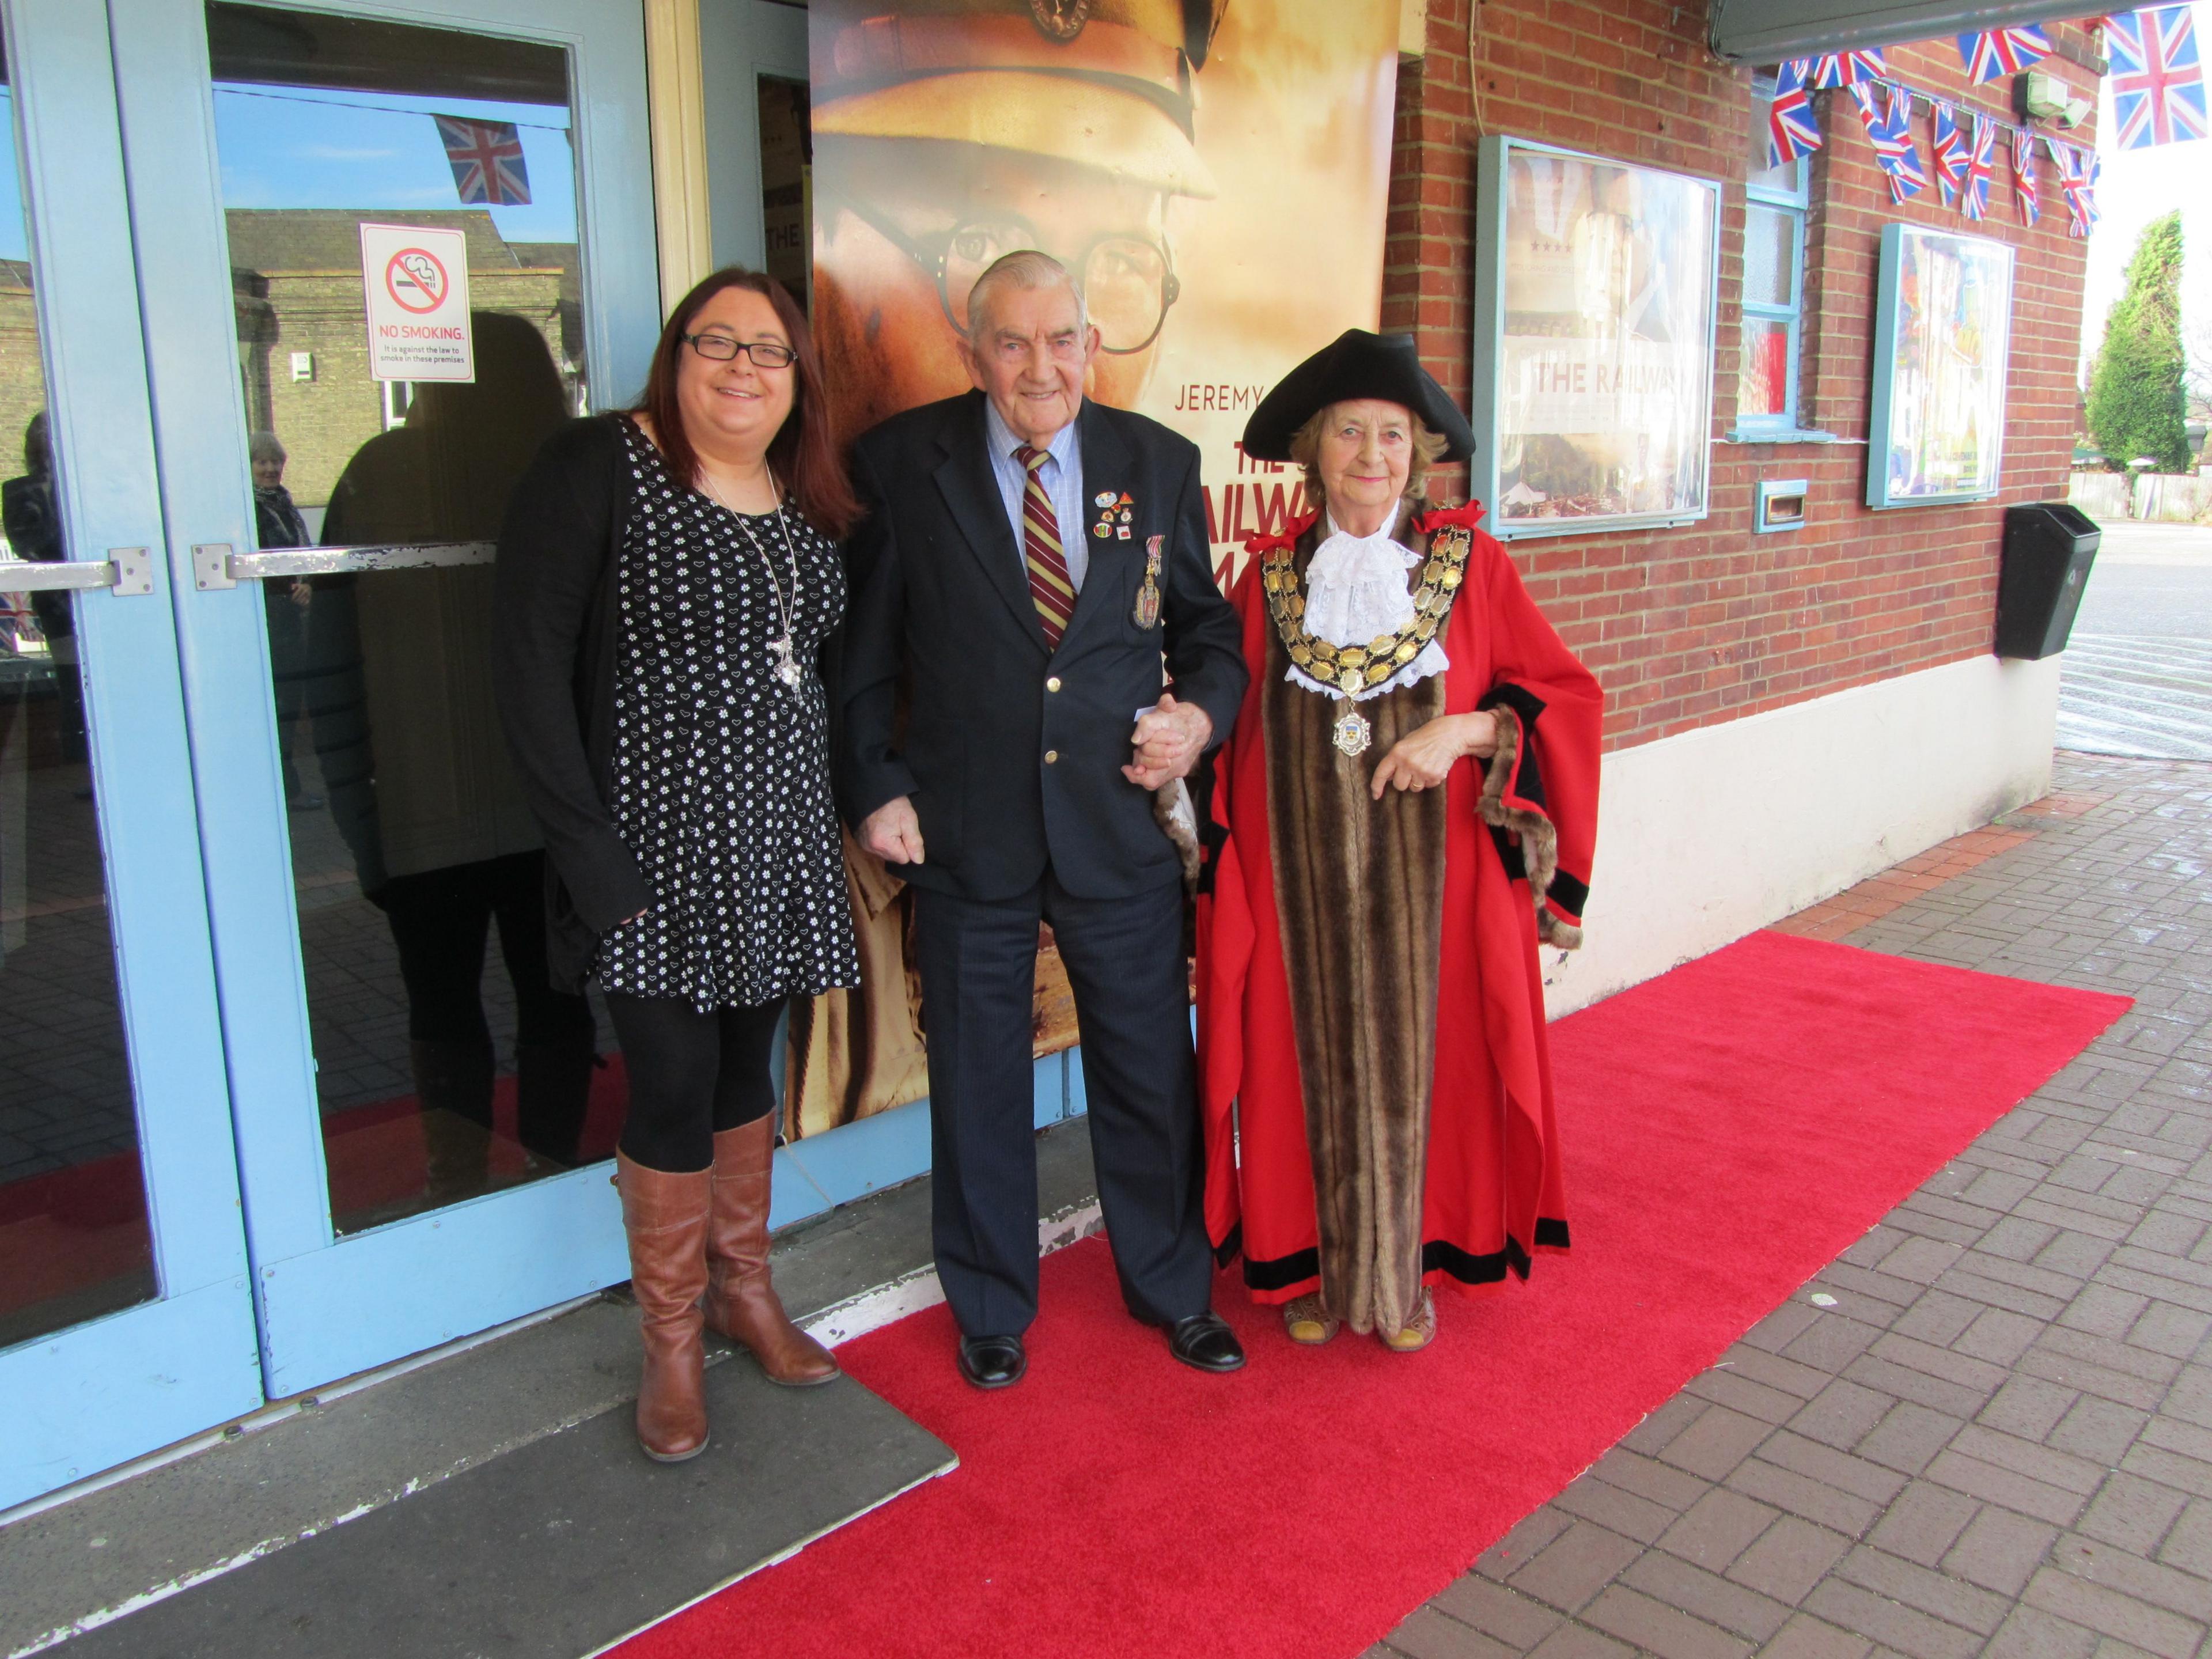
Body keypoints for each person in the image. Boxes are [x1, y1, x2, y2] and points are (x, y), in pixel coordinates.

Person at [839, 249, 1248, 1389]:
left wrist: (1199, 724)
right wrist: (874, 783)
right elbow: (863, 660)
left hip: (1114, 822)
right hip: (966, 828)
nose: (1040, 365)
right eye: (1011, 342)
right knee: (977, 1076)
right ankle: (989, 1305)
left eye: (1061, 338)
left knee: (1147, 1071)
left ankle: (1173, 1289)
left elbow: (1206, 635)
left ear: (1091, 345)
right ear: (972, 353)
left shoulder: (1155, 464)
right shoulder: (900, 465)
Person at [494, 270, 862, 1463]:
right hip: (647, 848)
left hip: (778, 838)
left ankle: (744, 1289)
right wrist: (592, 865)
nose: (745, 370)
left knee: (745, 1071)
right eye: (720, 344)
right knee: (667, 1082)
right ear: (677, 354)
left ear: (797, 378)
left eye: (771, 352)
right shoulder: (601, 466)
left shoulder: (803, 491)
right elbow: (530, 677)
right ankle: (668, 1336)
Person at [1196, 330, 1601, 1351]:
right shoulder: (1270, 577)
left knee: (1444, 1070)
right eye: (1348, 433)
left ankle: (1412, 1268)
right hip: (1295, 889)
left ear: (1416, 452)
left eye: (1390, 434)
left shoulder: (1474, 566)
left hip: (1444, 885)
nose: (1371, 454)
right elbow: (1223, 720)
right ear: (1312, 449)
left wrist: (1467, 732)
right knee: (1295, 1071)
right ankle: (1318, 1270)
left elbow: (1564, 697)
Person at [317, 315, 600, 1207]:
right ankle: (549, 1170)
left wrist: (357, 813)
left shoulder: (382, 472)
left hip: (420, 797)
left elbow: (333, 652)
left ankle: (458, 1183)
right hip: (546, 798)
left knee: (440, 1001)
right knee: (552, 995)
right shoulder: (570, 470)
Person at [247, 431, 319, 810]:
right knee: (275, 705)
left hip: (291, 616)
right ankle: (281, 791)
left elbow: (302, 555)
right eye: (262, 462)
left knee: (289, 704)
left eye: (276, 462)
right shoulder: (246, 508)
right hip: (269, 619)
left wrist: (308, 584)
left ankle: (285, 789)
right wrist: (291, 587)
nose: (271, 469)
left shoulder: (286, 504)